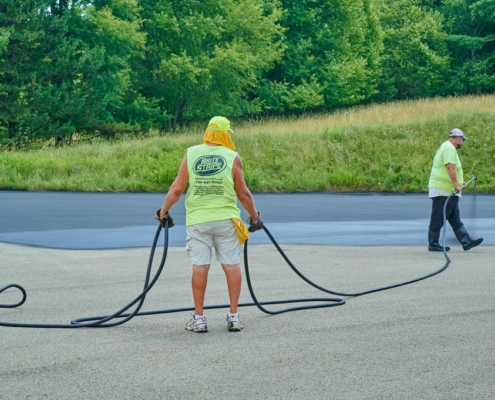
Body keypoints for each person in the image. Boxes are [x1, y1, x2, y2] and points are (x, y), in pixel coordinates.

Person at [157, 116, 263, 333]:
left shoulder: (192, 153)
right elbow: (243, 193)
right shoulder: (232, 157)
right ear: (225, 134)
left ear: (208, 132)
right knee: (231, 264)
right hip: (226, 221)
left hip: (199, 221)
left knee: (200, 266)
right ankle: (234, 317)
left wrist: (163, 211)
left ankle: (199, 318)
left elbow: (177, 188)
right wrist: (255, 216)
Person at [427, 128, 483, 252]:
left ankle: (466, 241)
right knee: (438, 217)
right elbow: (450, 167)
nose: (462, 143)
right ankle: (433, 244)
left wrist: (459, 182)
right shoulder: (449, 148)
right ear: (458, 138)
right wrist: (456, 185)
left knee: (454, 218)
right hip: (443, 190)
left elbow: (451, 169)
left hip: (446, 189)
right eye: (462, 140)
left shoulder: (446, 147)